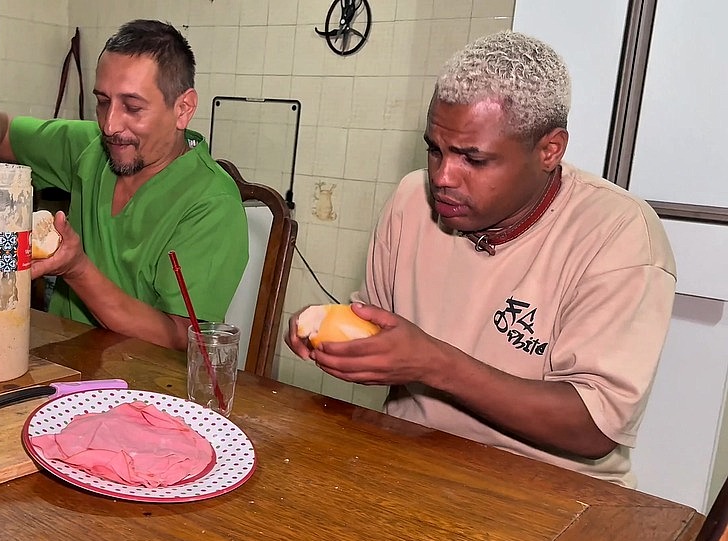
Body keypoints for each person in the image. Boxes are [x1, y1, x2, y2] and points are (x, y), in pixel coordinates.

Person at [284, 31, 676, 487]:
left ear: (549, 150)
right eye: (435, 150)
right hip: (409, 462)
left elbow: (594, 429)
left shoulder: (619, 233)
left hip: (549, 491)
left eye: (473, 159)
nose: (443, 177)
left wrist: (433, 363)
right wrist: (331, 336)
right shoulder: (411, 200)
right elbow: (379, 333)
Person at [0, 20, 248, 351]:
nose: (110, 125)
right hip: (58, 356)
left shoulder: (212, 202)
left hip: (143, 378)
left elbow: (180, 338)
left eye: (132, 107)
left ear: (183, 109)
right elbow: (3, 131)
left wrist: (77, 269)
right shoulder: (91, 148)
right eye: (103, 102)